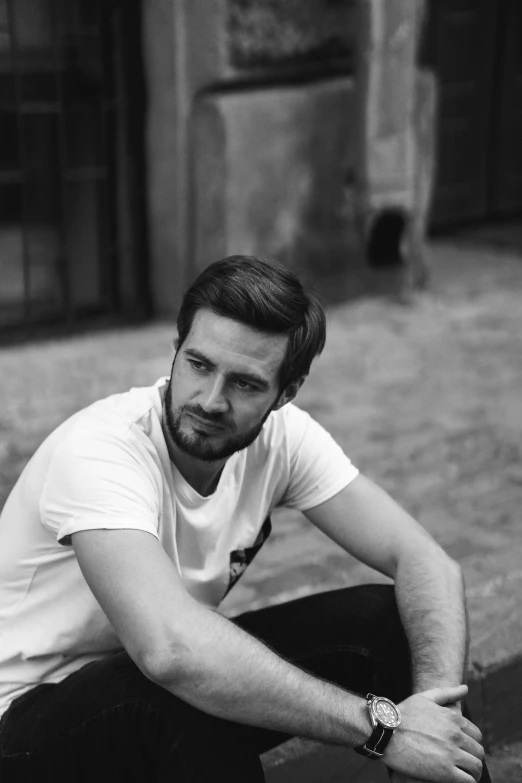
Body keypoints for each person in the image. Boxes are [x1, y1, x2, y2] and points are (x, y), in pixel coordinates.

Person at [0, 255, 489, 783]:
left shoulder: (284, 440)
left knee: (387, 621)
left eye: (246, 385)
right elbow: (169, 651)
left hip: (145, 683)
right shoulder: (101, 450)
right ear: (176, 350)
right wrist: (383, 729)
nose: (210, 400)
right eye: (199, 365)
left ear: (287, 391)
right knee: (181, 695)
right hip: (24, 721)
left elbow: (424, 560)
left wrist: (437, 716)